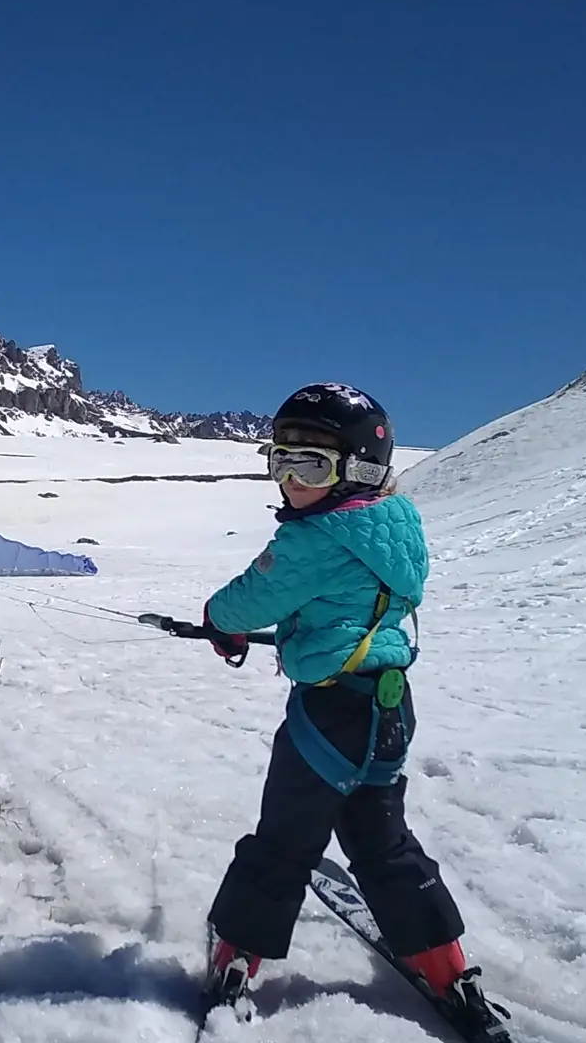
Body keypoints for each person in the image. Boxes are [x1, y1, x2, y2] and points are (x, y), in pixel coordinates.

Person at [196, 381, 508, 1036]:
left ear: (359, 470)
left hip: (328, 717)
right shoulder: (394, 528)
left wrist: (219, 622)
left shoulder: (314, 539)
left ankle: (236, 957)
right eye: (280, 462)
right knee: (382, 841)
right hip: (388, 711)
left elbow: (251, 598)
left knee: (285, 841)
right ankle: (446, 966)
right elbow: (346, 602)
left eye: (309, 466)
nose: (290, 481)